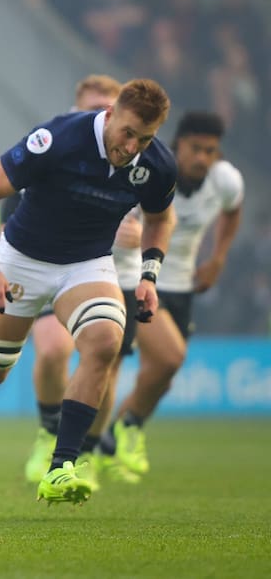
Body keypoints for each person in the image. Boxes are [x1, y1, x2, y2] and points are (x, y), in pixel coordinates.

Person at [0, 78, 177, 505]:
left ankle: (62, 466)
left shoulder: (157, 164)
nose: (132, 146)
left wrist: (148, 274)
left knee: (105, 342)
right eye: (127, 133)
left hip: (86, 263)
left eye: (145, 138)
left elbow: (161, 218)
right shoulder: (58, 138)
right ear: (109, 114)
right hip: (21, 259)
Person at [20, 74, 148, 486]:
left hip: (115, 275)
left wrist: (143, 242)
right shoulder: (56, 144)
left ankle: (83, 456)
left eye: (104, 109)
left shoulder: (140, 157)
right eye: (90, 108)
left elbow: (163, 214)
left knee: (104, 368)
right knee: (55, 351)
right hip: (49, 263)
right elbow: (9, 194)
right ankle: (47, 433)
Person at [101, 110, 244, 476]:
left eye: (210, 151)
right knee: (170, 358)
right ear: (178, 145)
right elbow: (114, 215)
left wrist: (218, 258)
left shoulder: (225, 181)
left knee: (163, 376)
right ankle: (124, 430)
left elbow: (233, 210)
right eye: (196, 149)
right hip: (144, 280)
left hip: (184, 286)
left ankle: (111, 439)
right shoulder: (150, 173)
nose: (202, 158)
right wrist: (124, 236)